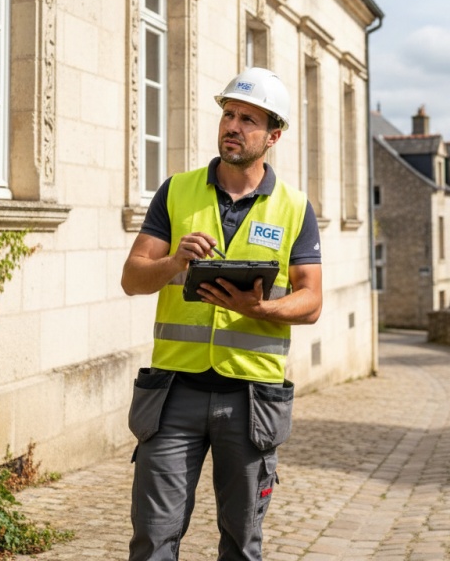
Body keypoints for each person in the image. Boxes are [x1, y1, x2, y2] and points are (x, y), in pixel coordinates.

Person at [121, 67, 323, 561]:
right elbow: (132, 278)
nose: (232, 125)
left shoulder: (295, 208)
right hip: (173, 394)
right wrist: (173, 261)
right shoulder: (176, 192)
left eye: (248, 119)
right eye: (228, 114)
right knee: (153, 539)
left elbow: (312, 300)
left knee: (241, 543)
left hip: (251, 399)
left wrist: (261, 308)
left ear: (273, 135)